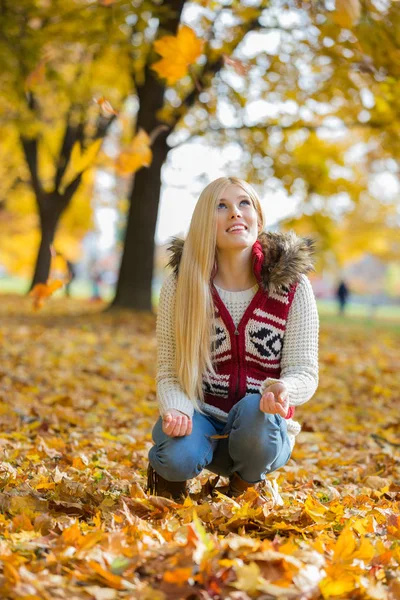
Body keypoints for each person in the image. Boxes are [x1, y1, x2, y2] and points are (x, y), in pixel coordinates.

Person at [147, 177, 319, 501]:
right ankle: (166, 475)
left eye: (244, 204)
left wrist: (284, 390)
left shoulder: (292, 288)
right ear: (204, 222)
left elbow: (305, 370)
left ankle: (245, 486)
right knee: (176, 456)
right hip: (203, 421)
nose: (235, 214)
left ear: (258, 217)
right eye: (221, 206)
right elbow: (170, 370)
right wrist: (177, 410)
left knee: (257, 411)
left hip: (261, 430)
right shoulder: (180, 286)